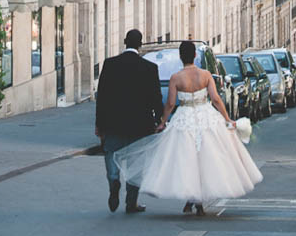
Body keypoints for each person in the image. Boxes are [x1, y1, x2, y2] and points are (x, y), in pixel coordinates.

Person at [114, 40, 263, 215]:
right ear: (195, 55)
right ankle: (197, 202)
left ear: (180, 57)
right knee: (207, 160)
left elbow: (170, 103)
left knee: (185, 161)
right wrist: (227, 118)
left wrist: (163, 121)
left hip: (184, 118)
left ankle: (191, 200)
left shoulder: (176, 78)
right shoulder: (206, 75)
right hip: (206, 116)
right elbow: (215, 98)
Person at [95, 28, 163, 214]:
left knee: (110, 153)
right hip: (140, 126)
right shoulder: (150, 69)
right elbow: (156, 99)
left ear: (125, 42)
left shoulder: (110, 65)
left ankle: (114, 180)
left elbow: (102, 97)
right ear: (140, 45)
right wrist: (160, 120)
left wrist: (99, 124)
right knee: (136, 164)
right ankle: (131, 203)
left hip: (113, 122)